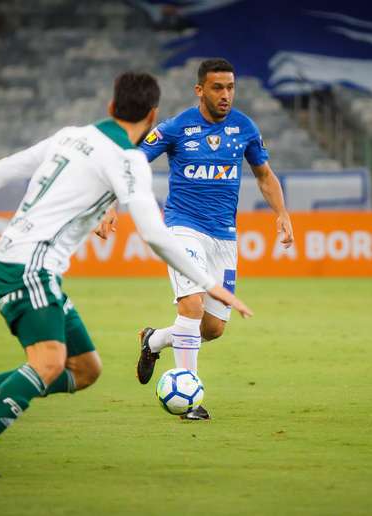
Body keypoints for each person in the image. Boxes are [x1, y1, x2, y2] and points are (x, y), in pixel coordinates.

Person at [0, 72, 252, 477]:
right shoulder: (129, 160)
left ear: (110, 107)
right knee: (49, 363)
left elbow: (8, 166)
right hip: (28, 266)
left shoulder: (71, 135)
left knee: (85, 369)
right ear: (153, 115)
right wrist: (210, 286)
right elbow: (154, 234)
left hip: (26, 264)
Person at [107, 58, 293, 420]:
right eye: (218, 88)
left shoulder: (245, 128)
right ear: (200, 90)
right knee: (190, 306)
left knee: (213, 328)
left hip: (223, 237)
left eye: (230, 88)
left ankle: (154, 340)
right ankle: (189, 395)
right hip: (182, 228)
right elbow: (132, 163)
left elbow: (264, 175)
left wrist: (282, 214)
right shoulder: (176, 128)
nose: (226, 95)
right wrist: (110, 205)